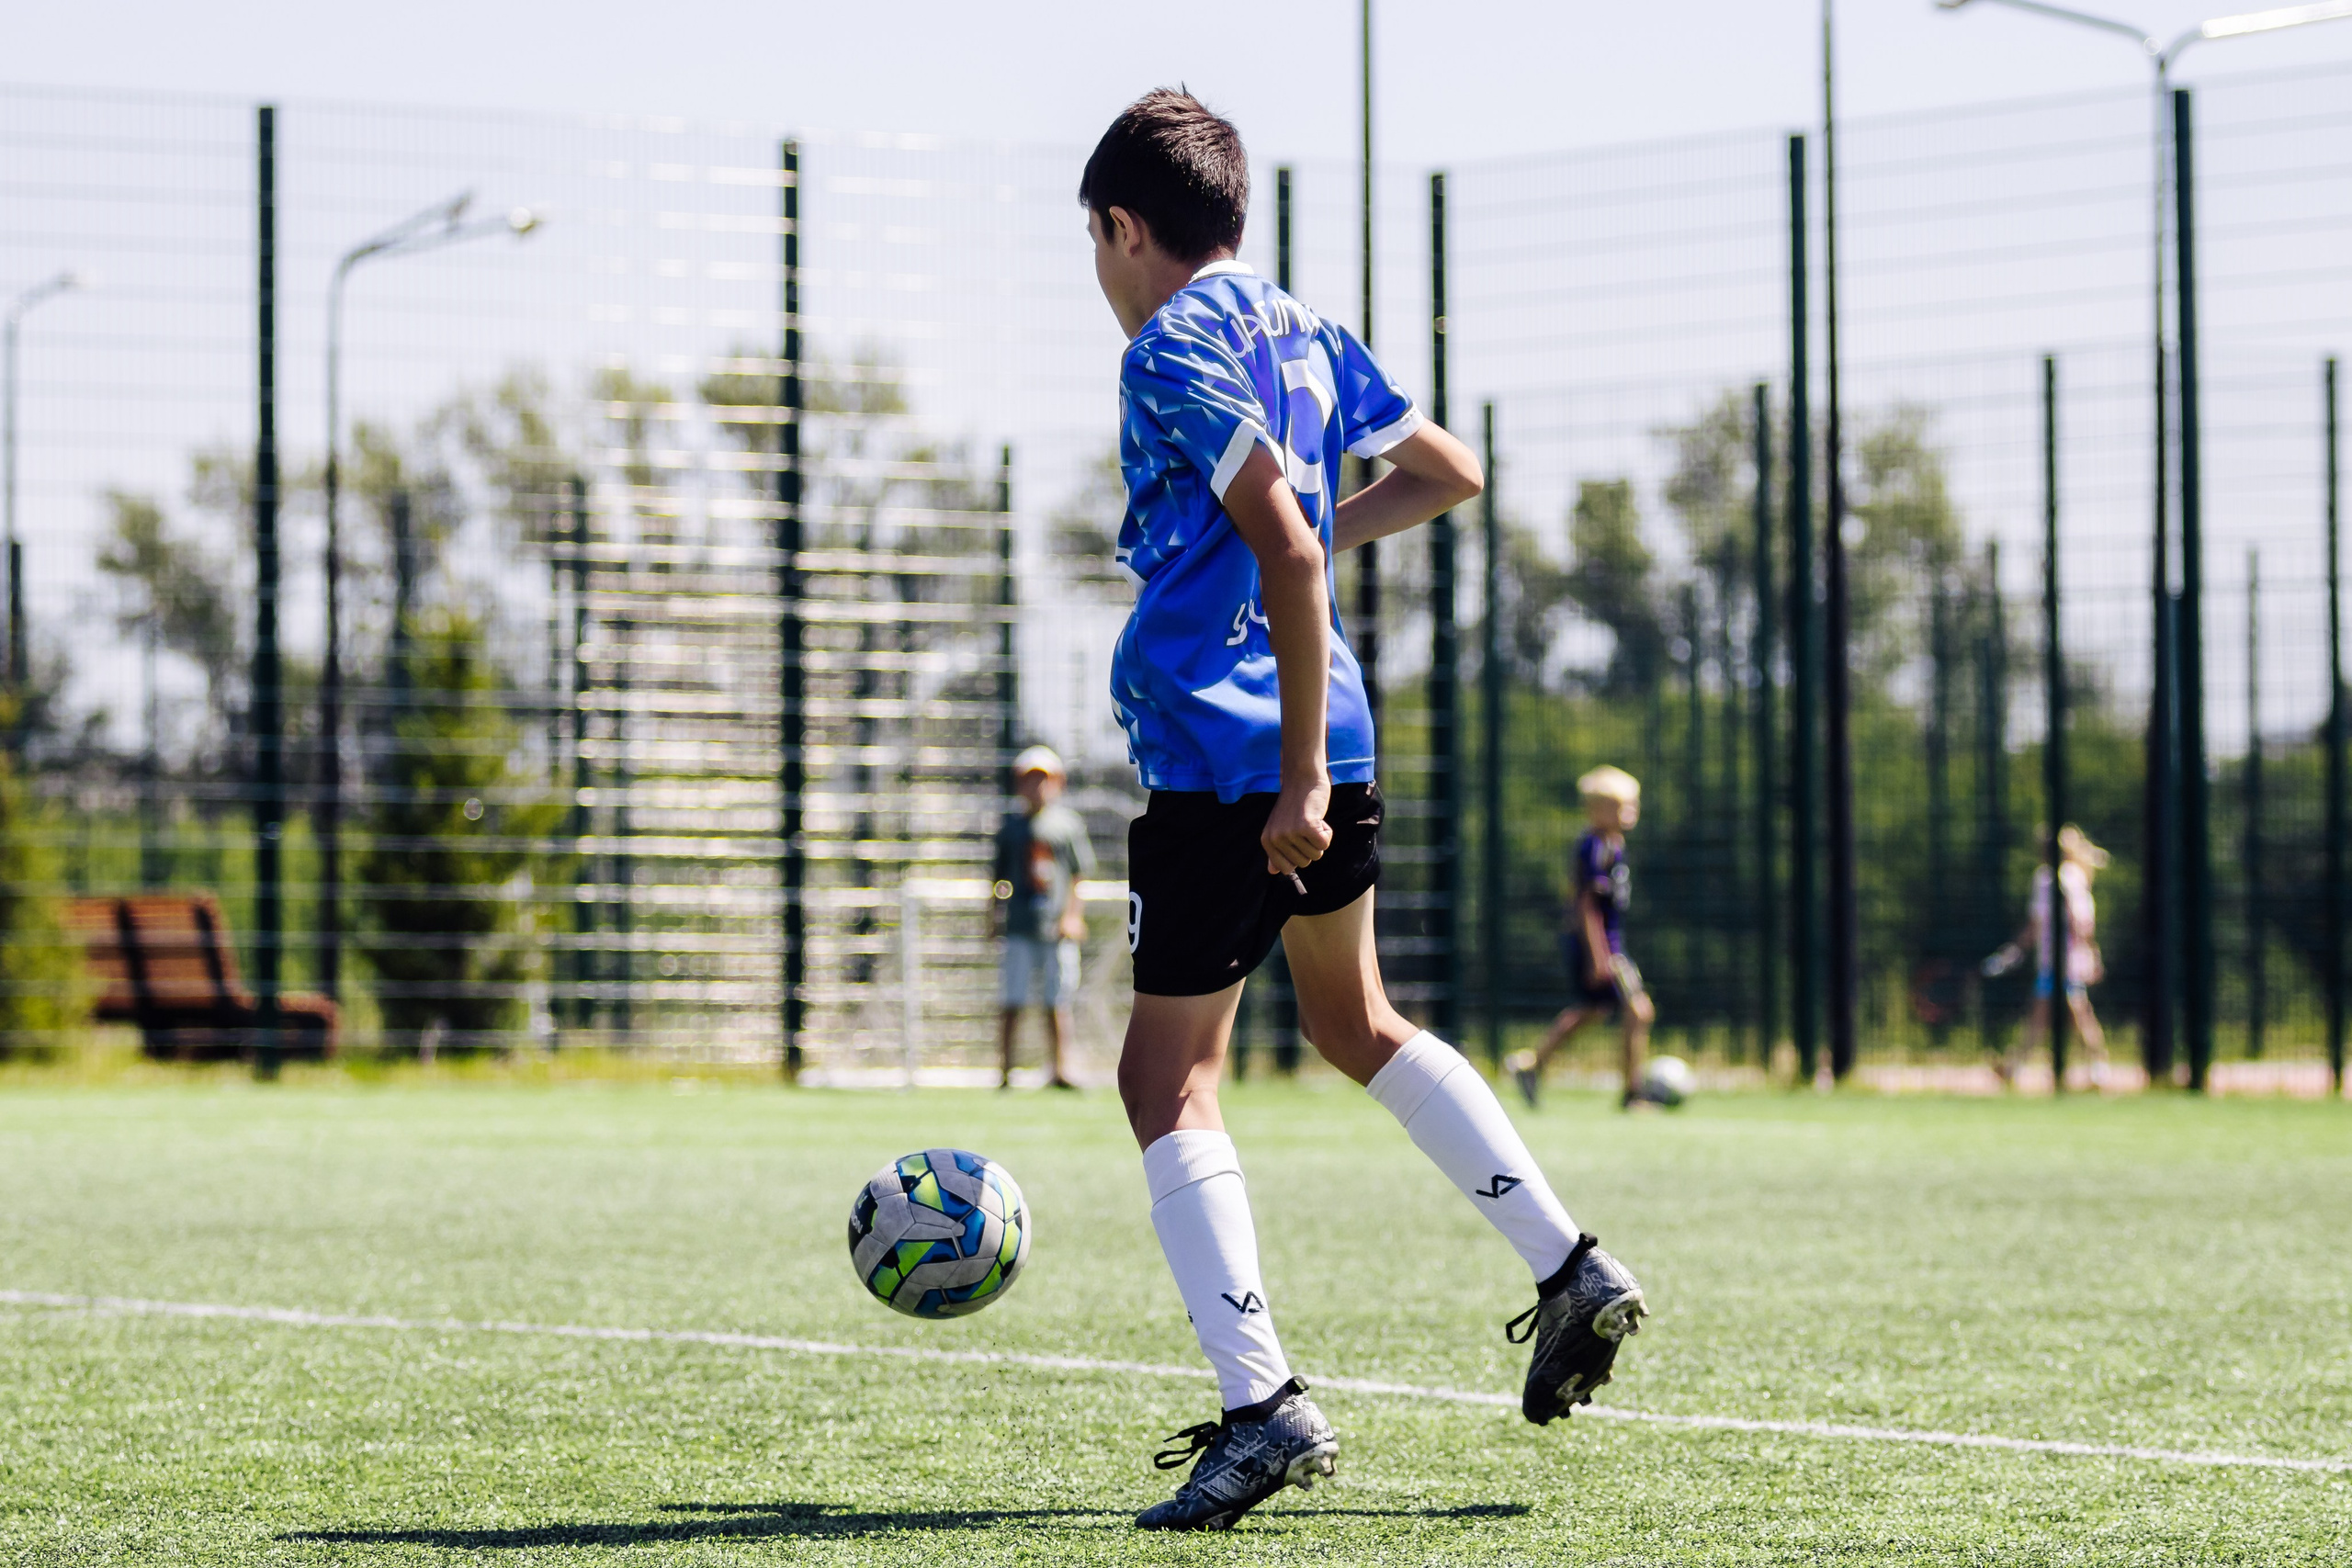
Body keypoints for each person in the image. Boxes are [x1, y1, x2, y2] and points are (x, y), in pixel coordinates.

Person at [1081, 90, 1647, 1533]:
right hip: (1329, 723)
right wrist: (1326, 543)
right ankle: (1568, 1261)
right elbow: (1445, 470)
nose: (1100, 274)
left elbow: (1276, 534)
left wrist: (1295, 782)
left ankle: (1263, 1406)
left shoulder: (1173, 346)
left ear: (1128, 229)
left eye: (1098, 244)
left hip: (1237, 762)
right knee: (1358, 1024)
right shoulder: (1297, 324)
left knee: (1168, 1081)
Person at [1506, 766, 1655, 1111]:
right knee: (1639, 1011)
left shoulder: (1613, 844)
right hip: (1603, 946)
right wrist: (1598, 956)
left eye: (1633, 805)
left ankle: (1531, 1066)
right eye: (1621, 806)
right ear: (1597, 810)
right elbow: (1586, 904)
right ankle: (1633, 1095)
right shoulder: (1596, 846)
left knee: (1593, 1010)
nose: (1630, 812)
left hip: (1607, 944)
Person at [991, 745, 1095, 1090]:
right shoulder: (1011, 828)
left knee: (1057, 1002)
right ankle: (1005, 1071)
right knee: (1012, 999)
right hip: (1020, 926)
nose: (1036, 787)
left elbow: (1078, 876)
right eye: (1029, 780)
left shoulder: (1067, 826)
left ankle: (1060, 1069)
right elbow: (998, 881)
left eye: (1043, 779)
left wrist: (1072, 916)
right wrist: (993, 914)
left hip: (1055, 929)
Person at [1983, 824, 2110, 1089]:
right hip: (2051, 961)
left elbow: (2079, 921)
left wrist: (2089, 952)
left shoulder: (2063, 877)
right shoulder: (2049, 878)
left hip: (2068, 961)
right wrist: (2012, 953)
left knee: (2077, 1013)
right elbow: (2036, 924)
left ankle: (2098, 1068)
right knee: (2046, 1015)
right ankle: (2015, 1067)